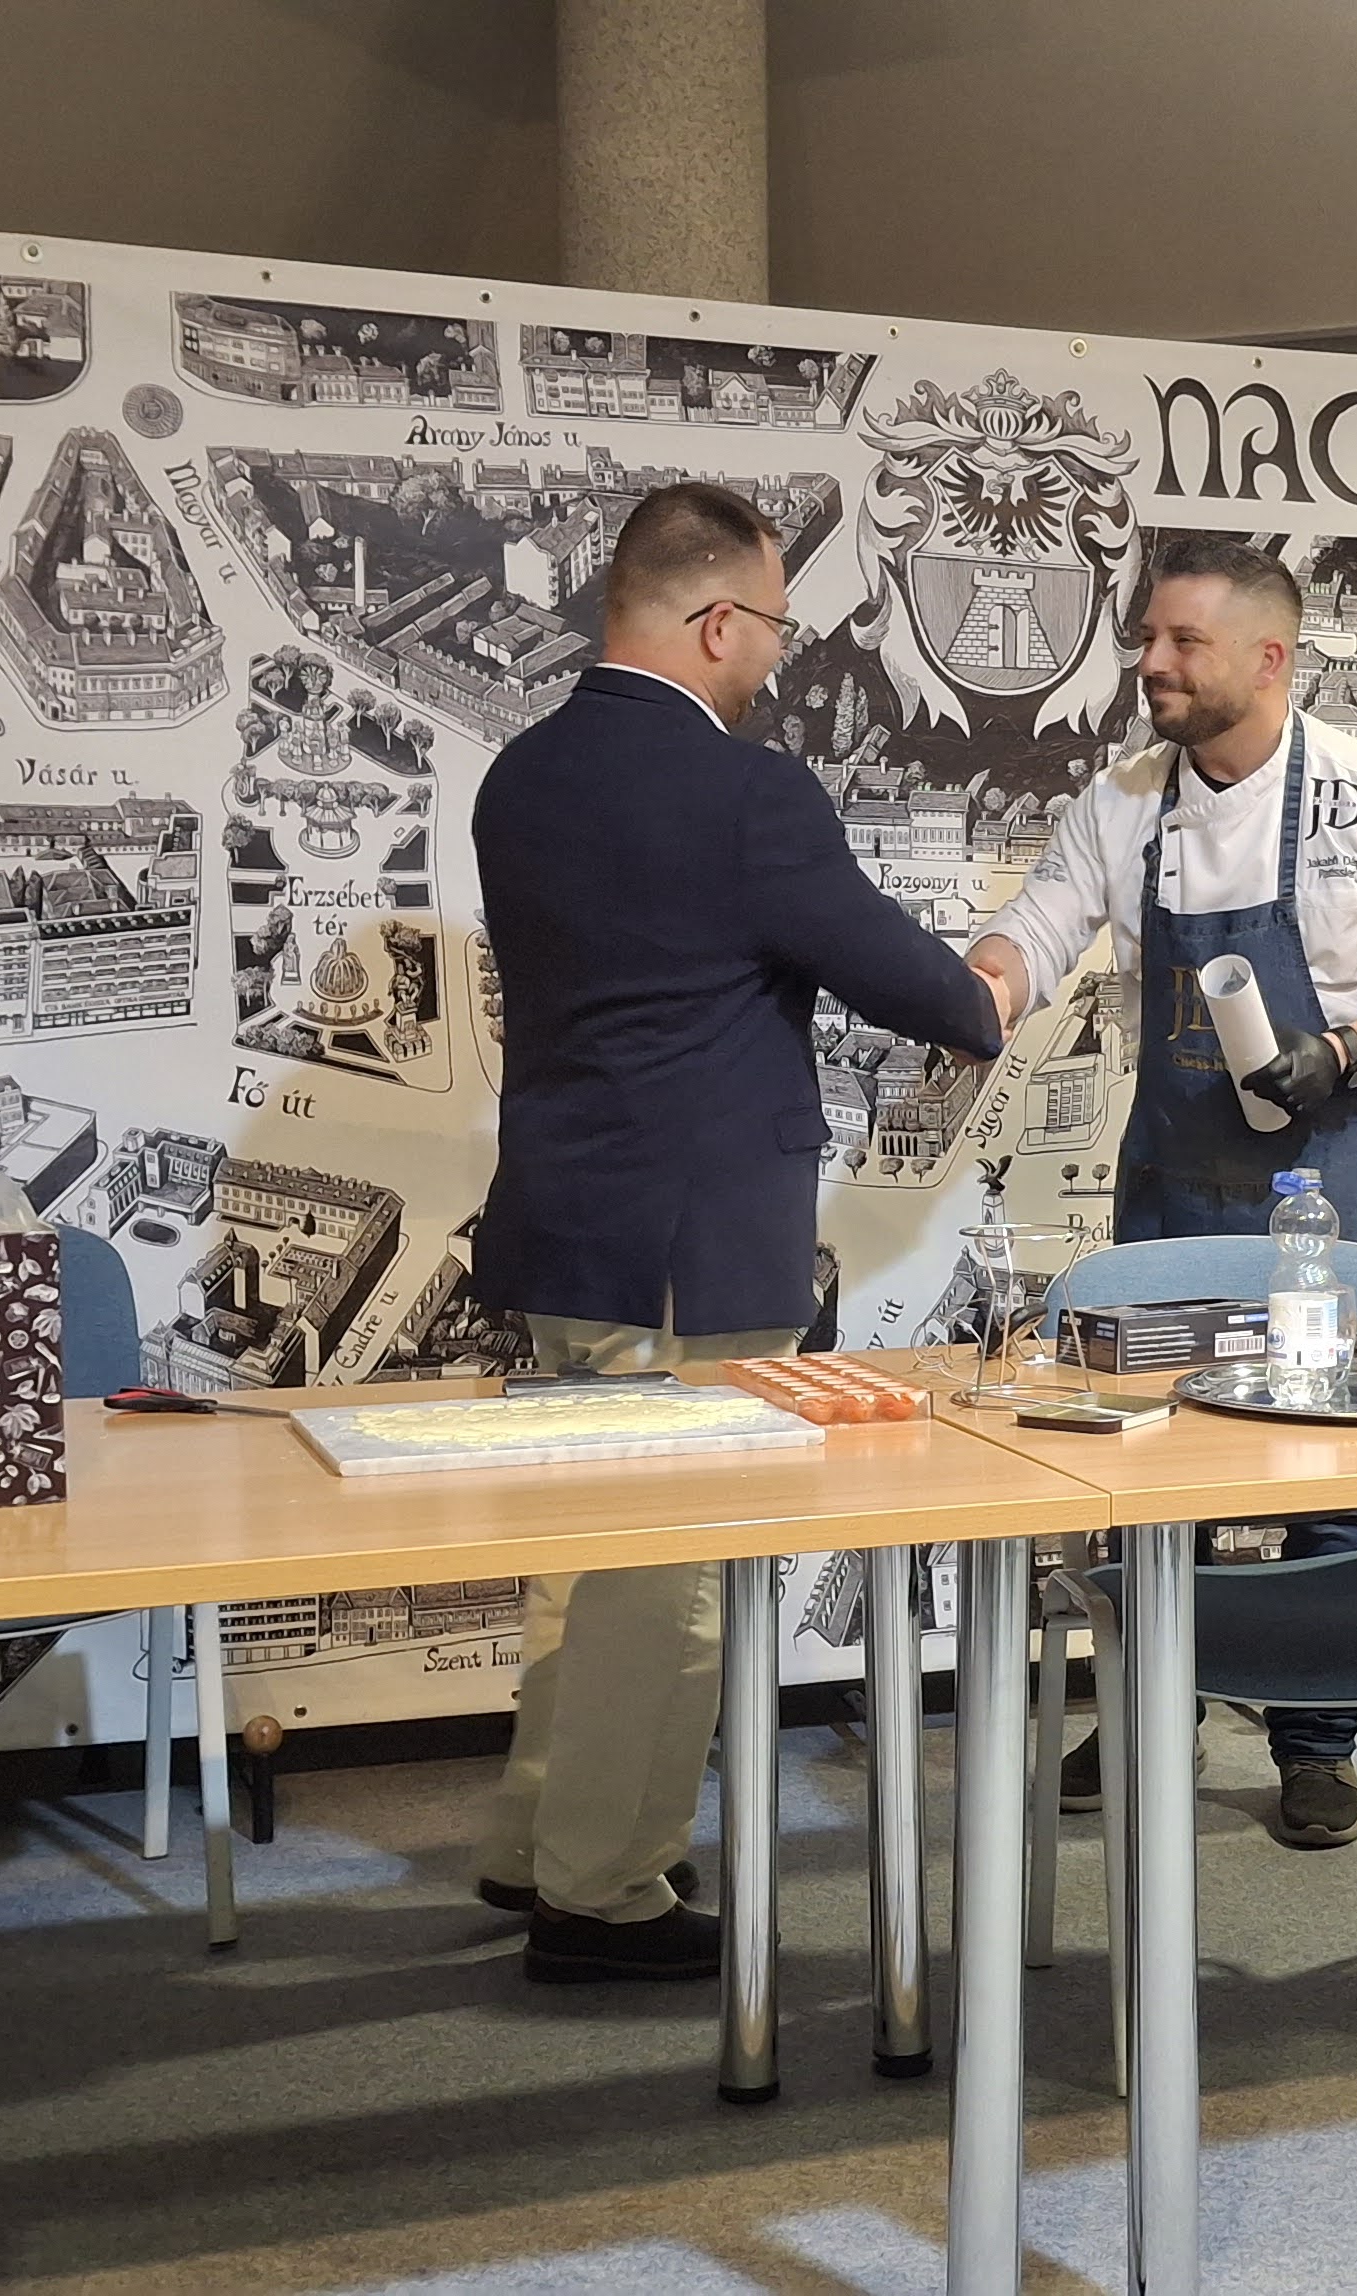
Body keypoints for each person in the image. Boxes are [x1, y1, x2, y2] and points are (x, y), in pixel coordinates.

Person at [468, 482, 1008, 1981]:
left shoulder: (519, 774)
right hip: (688, 1256)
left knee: (586, 1554)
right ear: (716, 623)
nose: (775, 655)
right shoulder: (746, 793)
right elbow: (914, 984)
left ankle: (537, 1840)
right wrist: (987, 991)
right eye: (771, 625)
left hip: (566, 1229)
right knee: (677, 1578)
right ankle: (600, 1894)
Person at [967, 535, 1357, 1847]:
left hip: (1336, 1186)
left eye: (1181, 643)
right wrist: (973, 988)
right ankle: (1149, 1704)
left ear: (1270, 659)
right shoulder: (1122, 803)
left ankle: (1319, 1737)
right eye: (1148, 640)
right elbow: (1034, 933)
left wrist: (1348, 1049)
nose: (1149, 663)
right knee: (1153, 1462)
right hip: (1172, 1180)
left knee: (1332, 1467)